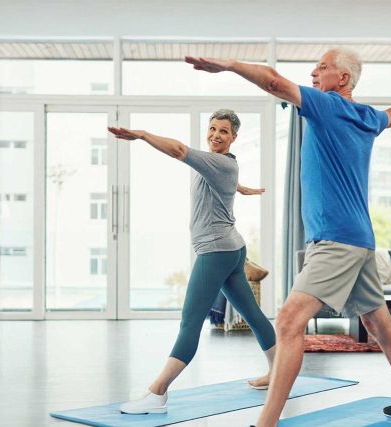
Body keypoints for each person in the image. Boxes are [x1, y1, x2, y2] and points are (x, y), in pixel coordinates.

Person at [186, 49, 391, 426]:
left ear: (343, 79)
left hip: (336, 239)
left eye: (322, 67)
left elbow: (273, 81)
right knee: (378, 322)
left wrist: (229, 65)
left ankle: (266, 423)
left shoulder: (327, 105)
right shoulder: (368, 116)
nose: (314, 72)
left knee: (288, 321)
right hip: (359, 239)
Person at [108, 109, 276, 414]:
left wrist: (143, 135)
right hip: (232, 248)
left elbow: (180, 150)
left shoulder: (216, 162)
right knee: (252, 313)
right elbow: (223, 177)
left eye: (224, 131)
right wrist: (241, 188)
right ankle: (279, 372)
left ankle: (157, 394)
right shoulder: (222, 163)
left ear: (233, 137)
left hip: (215, 252)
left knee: (190, 323)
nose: (216, 135)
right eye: (212, 129)